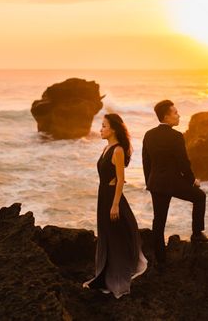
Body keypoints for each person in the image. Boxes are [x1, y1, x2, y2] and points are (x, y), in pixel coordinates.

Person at [84, 113, 147, 298]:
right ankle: (103, 277)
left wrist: (115, 205)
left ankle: (117, 279)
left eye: (103, 126)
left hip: (112, 197)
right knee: (107, 237)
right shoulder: (106, 148)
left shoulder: (118, 150)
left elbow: (121, 180)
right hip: (103, 196)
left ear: (113, 129)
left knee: (116, 238)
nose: (100, 129)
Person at [142, 100, 208, 265]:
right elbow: (183, 163)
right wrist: (192, 180)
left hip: (156, 183)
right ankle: (196, 234)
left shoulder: (149, 134)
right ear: (166, 116)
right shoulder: (176, 136)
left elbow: (146, 162)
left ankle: (160, 261)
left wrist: (149, 183)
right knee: (199, 197)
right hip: (173, 182)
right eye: (175, 113)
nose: (178, 115)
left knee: (158, 222)